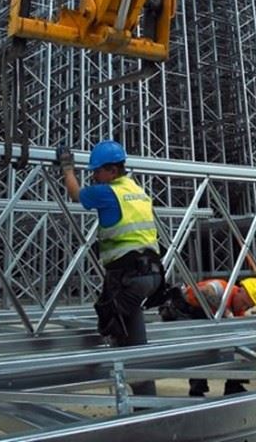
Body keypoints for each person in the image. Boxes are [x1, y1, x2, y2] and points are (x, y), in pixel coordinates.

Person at [57, 139, 164, 398]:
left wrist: (67, 168)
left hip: (129, 276)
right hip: (152, 275)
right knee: (131, 333)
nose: (94, 175)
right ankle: (143, 398)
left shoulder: (107, 192)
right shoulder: (137, 190)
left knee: (111, 324)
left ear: (112, 171)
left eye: (97, 170)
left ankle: (139, 397)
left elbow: (76, 194)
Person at [159, 276, 256, 397]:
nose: (244, 308)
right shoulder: (222, 288)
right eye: (244, 303)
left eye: (248, 307)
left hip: (202, 324)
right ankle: (197, 388)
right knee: (200, 346)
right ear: (240, 290)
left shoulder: (238, 311)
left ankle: (234, 385)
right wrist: (225, 311)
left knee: (238, 343)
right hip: (182, 315)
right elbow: (204, 292)